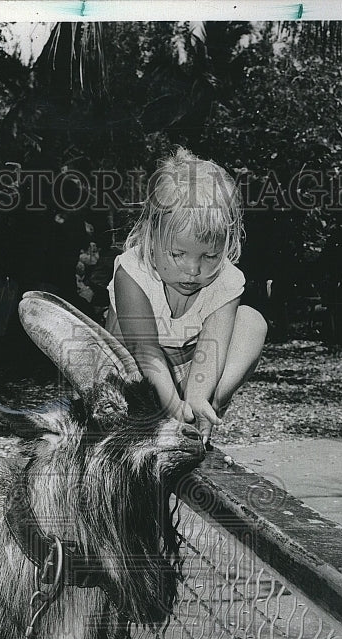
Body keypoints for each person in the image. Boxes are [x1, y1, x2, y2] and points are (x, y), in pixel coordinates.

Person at [106, 147, 267, 444]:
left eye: (209, 255)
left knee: (252, 321)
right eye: (178, 254)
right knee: (112, 347)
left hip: (193, 367)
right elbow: (145, 350)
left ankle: (209, 406)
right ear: (152, 237)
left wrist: (194, 399)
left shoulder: (226, 280)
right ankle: (142, 418)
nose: (193, 270)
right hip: (134, 372)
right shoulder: (132, 271)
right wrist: (171, 405)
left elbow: (214, 345)